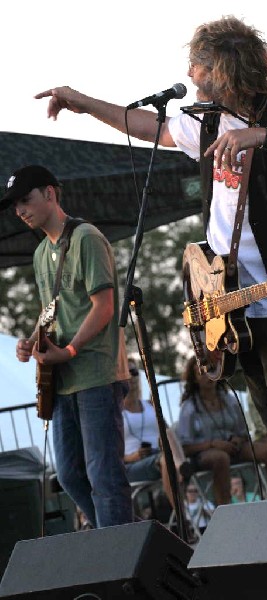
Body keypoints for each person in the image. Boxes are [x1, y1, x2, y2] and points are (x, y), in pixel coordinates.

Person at [35, 15, 267, 509]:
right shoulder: (206, 120)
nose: (190, 73)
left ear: (222, 68)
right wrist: (81, 102)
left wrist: (264, 139)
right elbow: (148, 126)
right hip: (232, 310)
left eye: (197, 64)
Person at [2, 165, 133, 528]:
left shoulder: (86, 237)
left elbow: (104, 307)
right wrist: (31, 340)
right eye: (14, 206)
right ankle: (126, 539)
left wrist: (71, 350)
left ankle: (122, 552)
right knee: (71, 476)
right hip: (62, 380)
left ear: (50, 193)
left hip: (96, 372)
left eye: (25, 200)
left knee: (104, 477)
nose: (20, 211)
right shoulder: (41, 252)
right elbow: (52, 311)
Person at [177, 356, 267, 505]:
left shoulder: (229, 399)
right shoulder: (189, 407)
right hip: (205, 453)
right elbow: (185, 447)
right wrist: (213, 444)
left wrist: (238, 439)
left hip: (234, 448)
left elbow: (243, 431)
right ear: (194, 379)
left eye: (210, 369)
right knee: (220, 457)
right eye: (201, 373)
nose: (207, 375)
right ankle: (225, 508)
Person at [123, 356, 189, 511]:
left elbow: (166, 431)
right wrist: (135, 456)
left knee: (168, 432)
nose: (131, 376)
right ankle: (182, 515)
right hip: (133, 464)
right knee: (167, 460)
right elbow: (112, 456)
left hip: (160, 454)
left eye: (134, 372)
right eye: (126, 372)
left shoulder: (149, 404)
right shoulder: (114, 412)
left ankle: (179, 464)